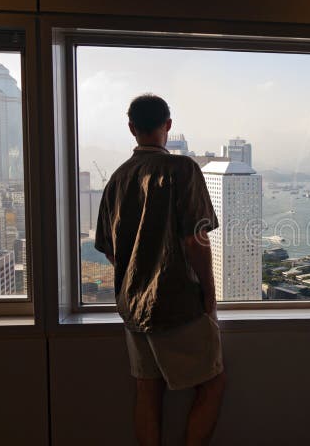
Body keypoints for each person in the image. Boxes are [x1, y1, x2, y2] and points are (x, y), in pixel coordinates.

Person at [95, 94, 226, 446]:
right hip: (178, 302)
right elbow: (195, 240)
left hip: (132, 306)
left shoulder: (117, 180)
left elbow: (112, 252)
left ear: (132, 129)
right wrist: (209, 296)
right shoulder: (183, 170)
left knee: (147, 391)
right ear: (168, 125)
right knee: (212, 384)